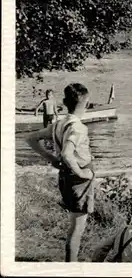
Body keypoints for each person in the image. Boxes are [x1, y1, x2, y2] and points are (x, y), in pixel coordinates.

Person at [26, 83, 95, 262]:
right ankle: (71, 266)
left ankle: (70, 262)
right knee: (78, 227)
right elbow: (67, 153)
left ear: (65, 103)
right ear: (86, 104)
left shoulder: (59, 124)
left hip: (64, 175)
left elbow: (31, 138)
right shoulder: (79, 127)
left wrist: (51, 158)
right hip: (78, 179)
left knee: (75, 222)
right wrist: (81, 172)